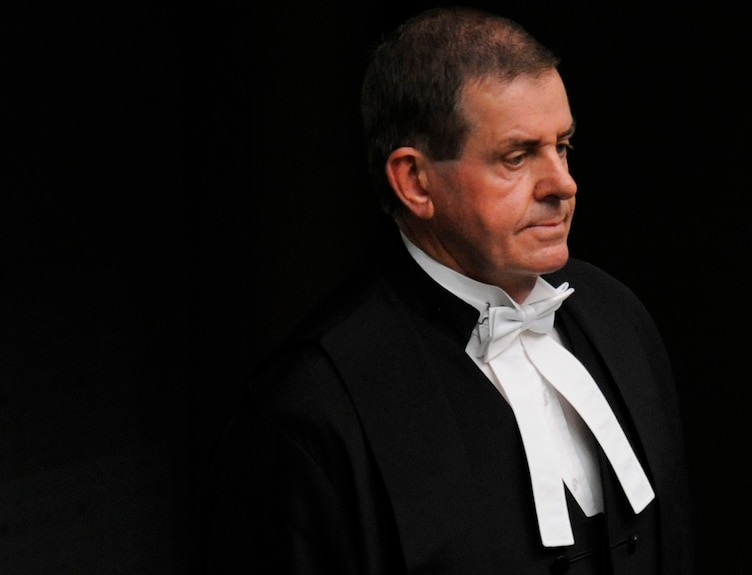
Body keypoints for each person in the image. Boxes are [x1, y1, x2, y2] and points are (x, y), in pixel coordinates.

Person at [202, 7, 694, 574]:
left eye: (563, 146)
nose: (563, 183)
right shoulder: (308, 409)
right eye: (516, 156)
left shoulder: (618, 316)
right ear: (414, 181)